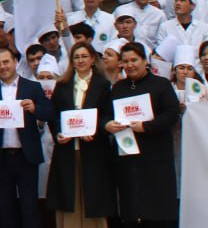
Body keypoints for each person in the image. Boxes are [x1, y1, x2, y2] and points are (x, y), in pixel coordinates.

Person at [0, 47, 54, 228]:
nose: (2, 67)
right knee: (5, 208)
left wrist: (35, 109)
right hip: (0, 158)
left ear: (15, 62)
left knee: (30, 207)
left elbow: (49, 112)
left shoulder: (32, 87)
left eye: (6, 62)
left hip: (26, 156)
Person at [104, 42, 179, 226]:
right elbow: (106, 114)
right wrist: (108, 125)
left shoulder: (161, 84)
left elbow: (172, 113)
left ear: (145, 61)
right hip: (127, 157)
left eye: (134, 60)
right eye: (126, 61)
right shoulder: (118, 88)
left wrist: (146, 126)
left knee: (158, 208)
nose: (130, 65)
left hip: (156, 156)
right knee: (131, 206)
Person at [45, 42, 115, 228]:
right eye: (76, 57)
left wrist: (95, 130)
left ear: (92, 59)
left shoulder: (102, 84)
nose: (80, 60)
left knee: (93, 196)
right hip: (67, 150)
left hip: (94, 149)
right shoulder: (62, 85)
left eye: (84, 56)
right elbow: (54, 115)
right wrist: (59, 133)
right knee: (69, 195)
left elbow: (107, 114)